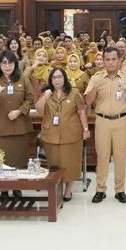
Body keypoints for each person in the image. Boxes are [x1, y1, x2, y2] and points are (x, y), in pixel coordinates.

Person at [84, 47, 126, 204]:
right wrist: (95, 86)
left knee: (120, 157)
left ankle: (120, 190)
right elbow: (88, 101)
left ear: (119, 60)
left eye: (114, 59)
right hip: (102, 121)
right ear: (103, 61)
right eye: (107, 59)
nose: (111, 62)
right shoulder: (96, 77)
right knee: (102, 156)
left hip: (122, 121)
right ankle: (100, 189)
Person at [0, 50, 34, 198]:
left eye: (10, 62)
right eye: (4, 63)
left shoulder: (23, 79)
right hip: (0, 127)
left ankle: (17, 187)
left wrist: (20, 111)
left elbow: (30, 99)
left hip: (20, 125)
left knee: (18, 158)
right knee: (1, 158)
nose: (7, 66)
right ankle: (3, 189)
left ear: (15, 64)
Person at [35, 68, 89, 202]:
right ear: (50, 80)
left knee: (70, 163)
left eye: (60, 77)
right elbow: (39, 110)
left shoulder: (74, 92)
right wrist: (45, 97)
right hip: (51, 134)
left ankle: (68, 190)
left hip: (71, 134)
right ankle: (55, 188)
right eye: (54, 77)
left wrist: (85, 129)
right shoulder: (47, 93)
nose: (57, 80)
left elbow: (81, 111)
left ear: (65, 78)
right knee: (54, 163)